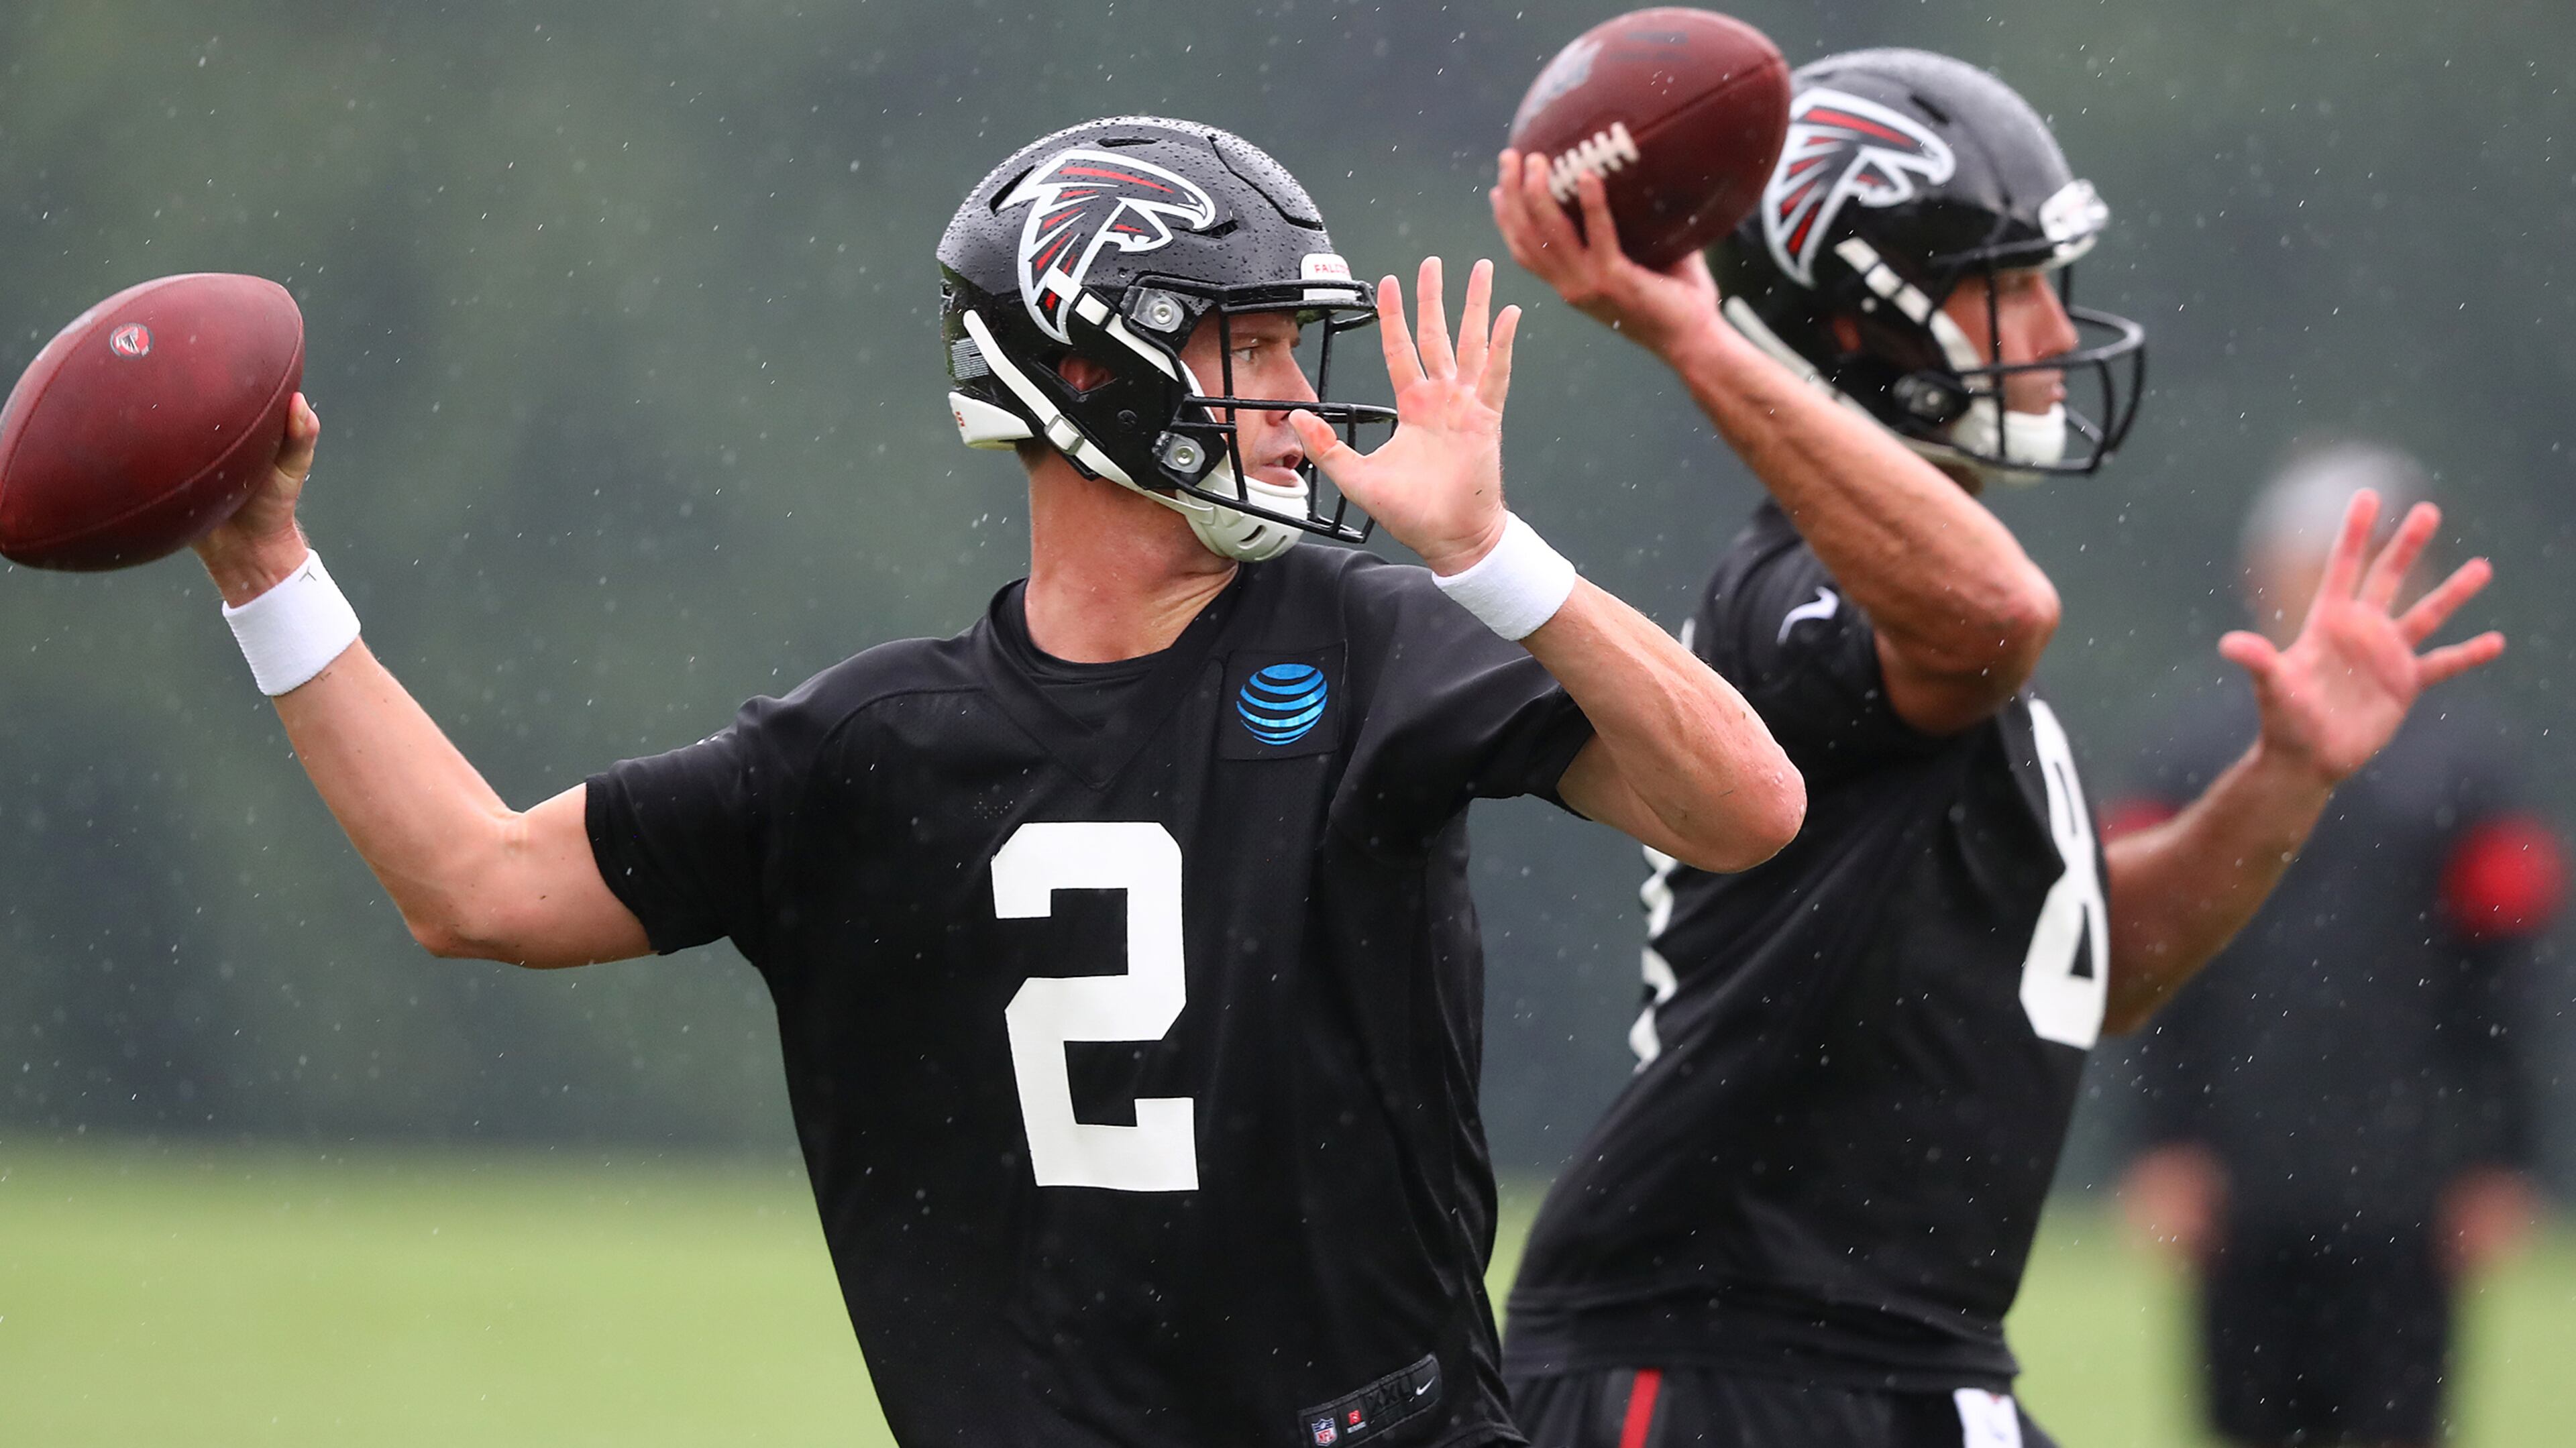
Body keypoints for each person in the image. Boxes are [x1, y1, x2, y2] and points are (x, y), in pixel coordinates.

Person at [184, 115, 1803, 1448]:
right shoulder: (866, 749)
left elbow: (1749, 808)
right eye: (1250, 352)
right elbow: (473, 884)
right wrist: (265, 563)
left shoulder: (1379, 643)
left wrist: (1491, 557)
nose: (1306, 409)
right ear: (1090, 380)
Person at [1486, 48, 2506, 1448]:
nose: (2048, 325)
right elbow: (1998, 614)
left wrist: (2289, 772)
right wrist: (1699, 334)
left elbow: (2102, 965)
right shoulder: (1802, 593)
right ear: (1863, 321)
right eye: (2007, 281)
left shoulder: (1921, 622)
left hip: (1896, 1353)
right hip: (1728, 1350)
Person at [2113, 442, 2563, 1448]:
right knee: (2248, 1424)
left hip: (2407, 1192)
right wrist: (2158, 1144)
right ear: (2259, 576)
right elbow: (2141, 963)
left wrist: (2503, 1157)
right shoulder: (2188, 749)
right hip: (2242, 1179)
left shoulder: (2472, 768)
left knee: (2396, 1427)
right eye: (2308, 564)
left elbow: (2506, 984)